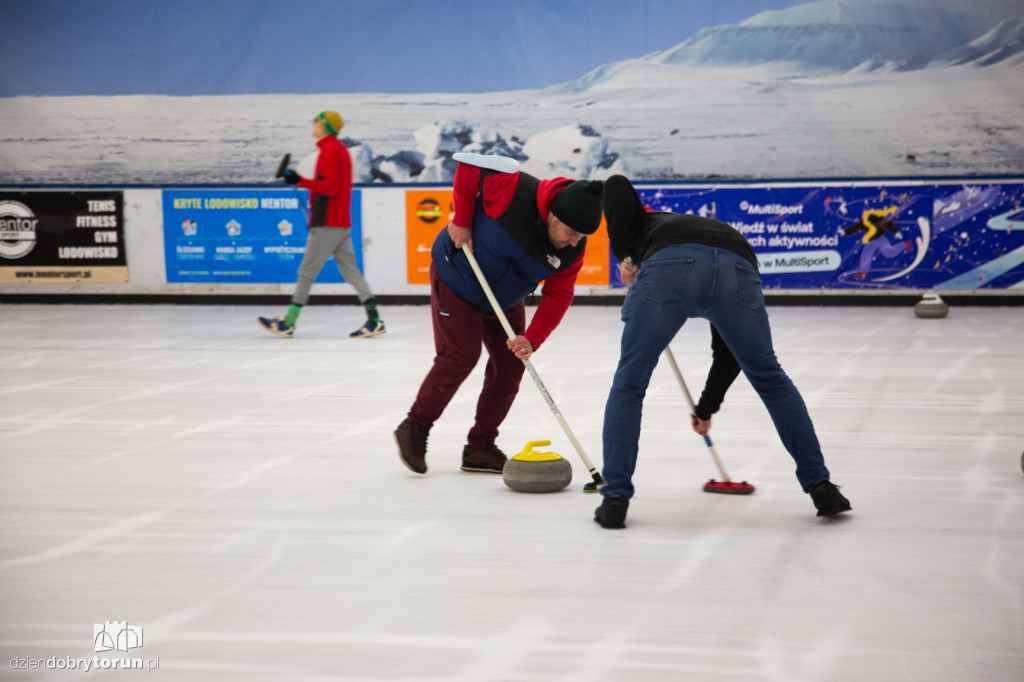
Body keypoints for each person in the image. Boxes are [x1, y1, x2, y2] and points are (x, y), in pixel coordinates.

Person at [594, 174, 851, 529]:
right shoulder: (692, 225)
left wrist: (626, 258)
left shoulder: (646, 222)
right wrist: (706, 407)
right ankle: (822, 488)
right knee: (770, 378)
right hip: (737, 264)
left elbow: (617, 184)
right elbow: (729, 354)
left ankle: (615, 500)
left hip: (670, 264)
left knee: (630, 381)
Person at [394, 155, 603, 475]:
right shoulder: (514, 189)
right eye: (571, 232)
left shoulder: (573, 247)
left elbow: (559, 294)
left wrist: (532, 339)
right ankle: (415, 427)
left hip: (505, 299)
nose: (574, 241)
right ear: (553, 214)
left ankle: (480, 445)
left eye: (581, 236)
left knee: (511, 364)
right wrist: (462, 219)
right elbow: (468, 169)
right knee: (460, 357)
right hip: (459, 274)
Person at [259, 110, 385, 339]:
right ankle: (374, 319)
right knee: (351, 272)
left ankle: (288, 323)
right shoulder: (339, 150)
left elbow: (329, 188)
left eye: (316, 121)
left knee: (307, 271)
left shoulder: (329, 151)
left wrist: (299, 181)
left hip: (327, 223)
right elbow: (330, 185)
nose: (313, 124)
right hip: (339, 221)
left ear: (325, 126)